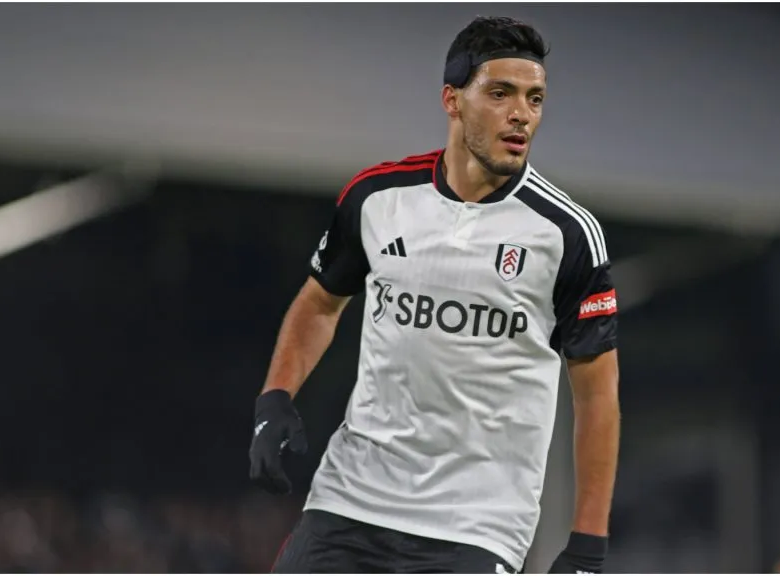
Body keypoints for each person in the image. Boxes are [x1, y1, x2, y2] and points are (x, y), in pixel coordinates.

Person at [249, 15, 621, 574]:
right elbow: (321, 301)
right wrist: (274, 397)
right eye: (501, 93)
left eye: (536, 98)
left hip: (476, 526)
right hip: (351, 499)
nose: (522, 113)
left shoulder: (566, 235)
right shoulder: (377, 197)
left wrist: (587, 544)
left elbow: (597, 394)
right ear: (453, 100)